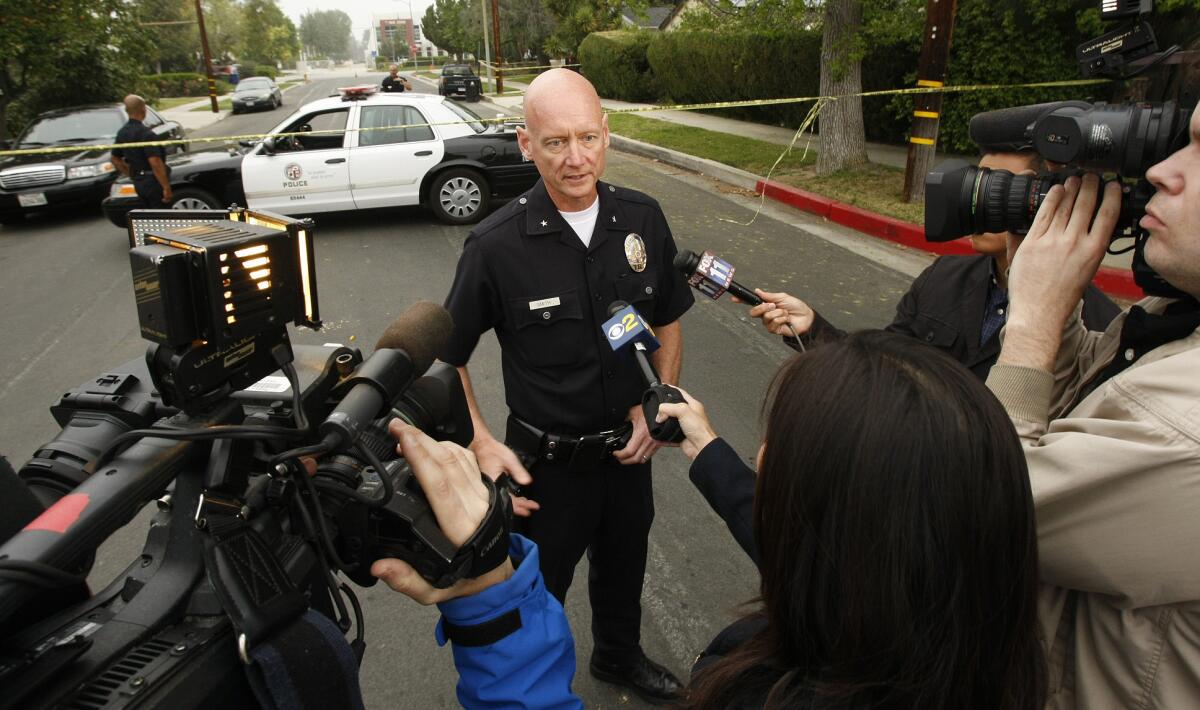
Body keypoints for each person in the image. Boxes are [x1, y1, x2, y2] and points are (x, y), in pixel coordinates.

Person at [377, 331, 1047, 710]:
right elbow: (804, 540)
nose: (760, 459)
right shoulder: (983, 643)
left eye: (775, 452)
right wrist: (704, 445)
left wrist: (493, 599)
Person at [438, 68, 694, 703]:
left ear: (607, 134)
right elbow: (446, 357)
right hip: (545, 470)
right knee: (535, 593)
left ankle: (618, 657)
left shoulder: (642, 218)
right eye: (555, 142)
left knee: (624, 569)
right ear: (526, 144)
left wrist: (655, 408)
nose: (576, 158)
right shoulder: (495, 246)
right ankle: (531, 693)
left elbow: (665, 320)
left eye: (587, 137)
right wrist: (477, 442)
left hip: (628, 452)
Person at [984, 105, 1200, 708]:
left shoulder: (1186, 427)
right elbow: (1082, 407)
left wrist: (1029, 323)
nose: (1162, 171)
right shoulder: (1175, 324)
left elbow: (982, 506)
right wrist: (1058, 294)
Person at [746, 150, 1119, 380]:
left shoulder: (1100, 329)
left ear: (1045, 200)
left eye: (997, 189)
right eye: (977, 182)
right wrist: (813, 328)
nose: (974, 201)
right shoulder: (944, 276)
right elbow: (885, 367)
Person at [111, 95, 172, 208]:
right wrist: (166, 187)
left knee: (149, 217)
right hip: (153, 182)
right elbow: (155, 162)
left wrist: (131, 175)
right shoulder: (146, 134)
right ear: (143, 109)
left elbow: (116, 159)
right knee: (163, 217)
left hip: (139, 182)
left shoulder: (122, 133)